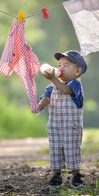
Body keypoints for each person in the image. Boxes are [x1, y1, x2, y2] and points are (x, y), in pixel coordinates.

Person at [38, 50, 87, 188]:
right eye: (59, 65)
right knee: (55, 149)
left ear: (77, 71)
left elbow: (66, 90)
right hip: (55, 124)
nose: (60, 68)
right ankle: (56, 175)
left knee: (72, 149)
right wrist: (40, 105)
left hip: (71, 125)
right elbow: (46, 96)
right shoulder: (53, 84)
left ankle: (76, 175)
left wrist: (53, 79)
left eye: (66, 65)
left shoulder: (75, 83)